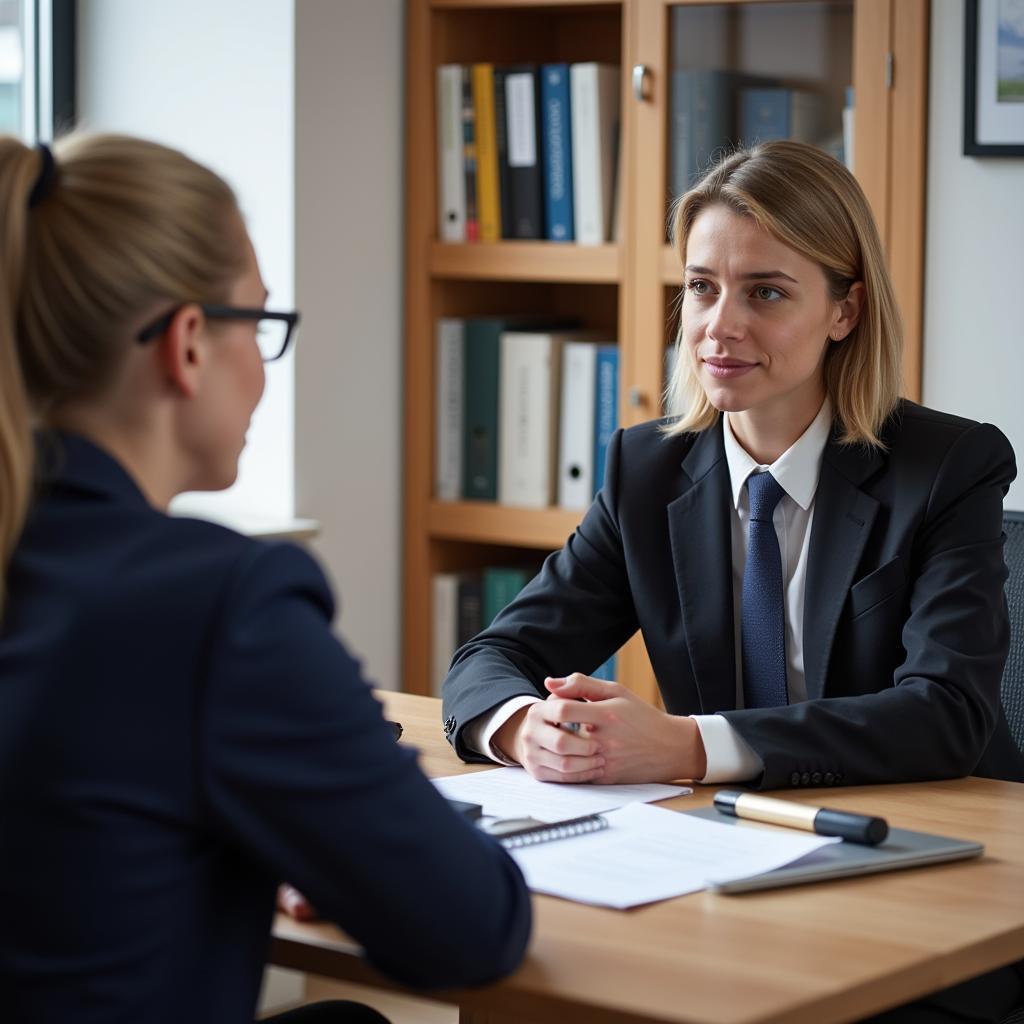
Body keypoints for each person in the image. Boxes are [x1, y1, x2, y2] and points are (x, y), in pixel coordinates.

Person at [441, 140, 1022, 1022]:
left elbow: (945, 715)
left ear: (845, 310)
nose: (720, 325)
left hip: (918, 876)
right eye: (703, 287)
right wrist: (530, 729)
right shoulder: (649, 470)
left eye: (768, 292)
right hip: (722, 870)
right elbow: (496, 654)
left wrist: (683, 746)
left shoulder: (946, 468)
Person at [0, 134, 531, 1024]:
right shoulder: (218, 605)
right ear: (190, 343)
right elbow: (472, 927)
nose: (263, 370)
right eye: (262, 322)